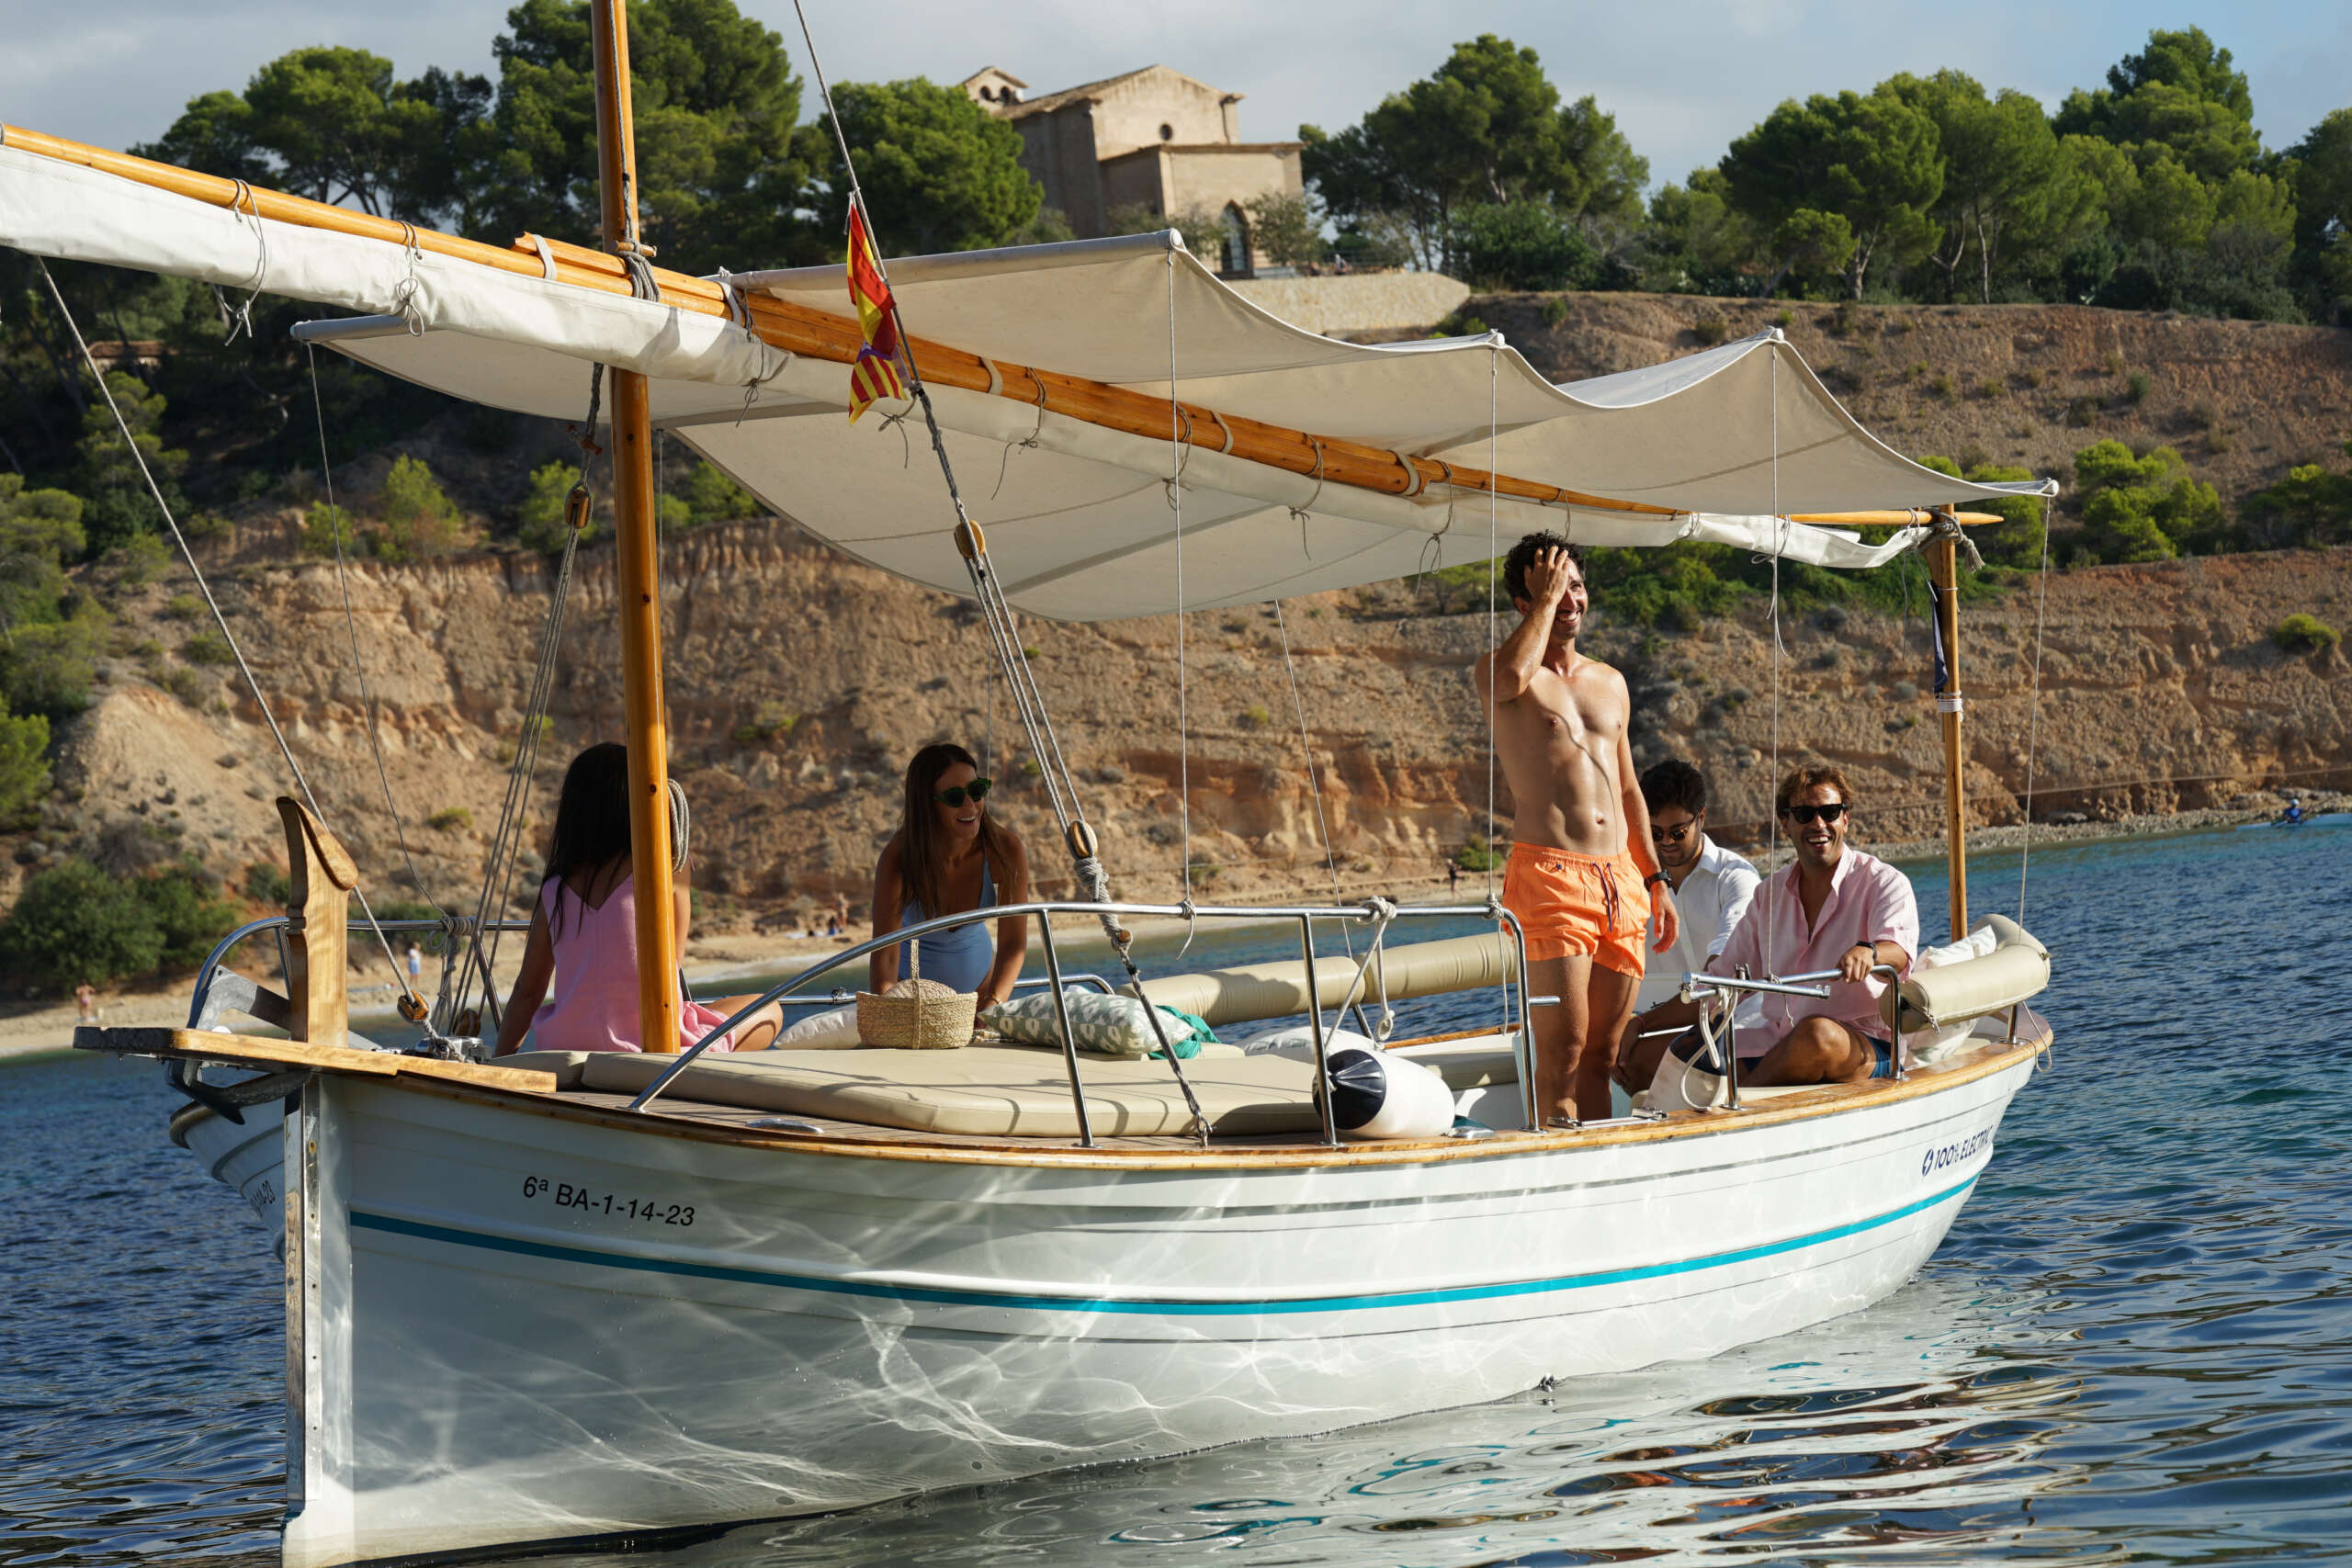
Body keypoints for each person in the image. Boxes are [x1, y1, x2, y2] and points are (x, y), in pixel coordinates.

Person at [1474, 533, 1679, 1124]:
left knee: (1602, 1055)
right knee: (1563, 1052)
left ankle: (1599, 1154)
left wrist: (1656, 879)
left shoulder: (1610, 681)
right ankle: (1557, 1152)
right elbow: (1508, 677)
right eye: (1554, 588)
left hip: (1621, 879)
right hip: (1551, 875)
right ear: (1525, 601)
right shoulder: (1502, 673)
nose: (1570, 599)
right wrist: (1545, 602)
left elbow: (1629, 788)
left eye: (1577, 586)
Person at [494, 743, 783, 1055]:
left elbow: (527, 991)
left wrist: (501, 1061)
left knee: (705, 1011)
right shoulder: (668, 869)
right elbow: (672, 964)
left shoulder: (555, 888)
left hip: (565, 1043)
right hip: (651, 1044)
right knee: (770, 1008)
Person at [1641, 763, 1917, 1086]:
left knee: (1816, 1034)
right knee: (1655, 1055)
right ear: (1785, 823)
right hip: (1780, 1041)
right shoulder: (1768, 895)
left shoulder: (1884, 882)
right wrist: (1641, 1025)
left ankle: (1739, 1106)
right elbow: (1720, 982)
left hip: (1868, 1045)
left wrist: (1869, 951)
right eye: (1804, 814)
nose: (1818, 823)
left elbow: (1898, 951)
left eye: (1829, 812)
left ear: (1845, 818)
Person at [1616, 759, 1761, 1092]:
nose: (1666, 842)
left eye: (1677, 832)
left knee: (1638, 1060)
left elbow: (1722, 980)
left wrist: (1641, 1024)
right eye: (1654, 833)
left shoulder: (1737, 878)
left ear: (1702, 817)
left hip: (1736, 1026)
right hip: (1653, 1026)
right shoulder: (1627, 883)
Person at [869, 742, 1031, 1007]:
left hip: (982, 989)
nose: (970, 805)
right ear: (927, 804)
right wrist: (887, 1011)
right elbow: (885, 958)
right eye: (954, 797)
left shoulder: (1006, 850)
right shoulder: (899, 858)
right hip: (910, 994)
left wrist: (994, 1003)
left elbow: (1013, 943)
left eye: (976, 791)